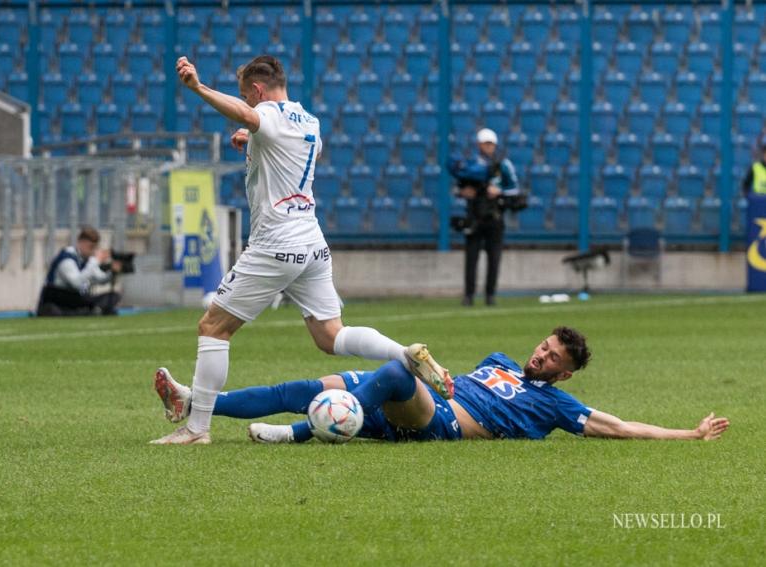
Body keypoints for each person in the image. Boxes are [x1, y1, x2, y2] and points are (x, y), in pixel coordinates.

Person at [151, 54, 448, 445]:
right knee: (330, 335)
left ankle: (196, 428)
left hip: (276, 244)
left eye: (247, 95)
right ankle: (403, 354)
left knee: (214, 328)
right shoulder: (309, 120)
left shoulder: (267, 114)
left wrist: (199, 88)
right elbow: (298, 152)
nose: (247, 103)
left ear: (258, 90)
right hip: (312, 242)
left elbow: (250, 115)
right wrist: (254, 141)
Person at [152, 326, 730, 444]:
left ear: (564, 373)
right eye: (544, 346)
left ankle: (301, 434)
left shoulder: (555, 404)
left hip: (441, 424)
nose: (541, 355)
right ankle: (197, 404)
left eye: (552, 357)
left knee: (391, 371)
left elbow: (616, 426)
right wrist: (442, 374)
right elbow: (465, 382)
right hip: (431, 399)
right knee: (312, 380)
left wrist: (689, 434)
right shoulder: (502, 358)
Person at [450, 128, 520, 308]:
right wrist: (463, 192)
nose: (488, 147)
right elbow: (458, 188)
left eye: (491, 144)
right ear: (479, 144)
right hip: (474, 216)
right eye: (485, 143)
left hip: (495, 217)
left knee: (494, 258)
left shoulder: (503, 165)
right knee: (471, 258)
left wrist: (499, 192)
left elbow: (515, 190)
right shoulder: (470, 165)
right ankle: (469, 295)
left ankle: (490, 295)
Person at [36, 226, 122, 317]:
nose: (93, 251)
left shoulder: (87, 260)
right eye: (91, 247)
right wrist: (96, 261)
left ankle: (88, 311)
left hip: (75, 298)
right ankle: (88, 311)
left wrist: (113, 272)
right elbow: (77, 283)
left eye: (95, 247)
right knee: (54, 310)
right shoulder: (67, 259)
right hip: (58, 298)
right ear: (81, 242)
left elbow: (100, 279)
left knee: (113, 296)